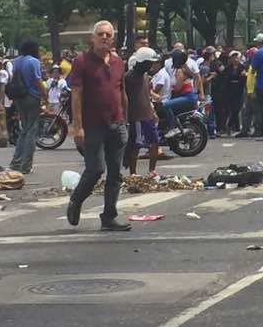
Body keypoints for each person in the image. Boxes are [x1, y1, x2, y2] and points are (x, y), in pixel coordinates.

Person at [67, 21, 130, 231]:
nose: (105, 37)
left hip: (117, 123)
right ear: (92, 38)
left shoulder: (119, 62)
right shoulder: (82, 61)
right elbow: (76, 95)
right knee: (95, 169)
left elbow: (122, 93)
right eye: (101, 34)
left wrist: (126, 120)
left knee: (116, 173)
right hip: (92, 125)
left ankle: (109, 216)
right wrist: (78, 127)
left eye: (108, 34)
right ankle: (76, 200)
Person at [8, 39, 47, 175]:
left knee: (24, 129)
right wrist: (45, 96)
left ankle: (16, 162)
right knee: (32, 130)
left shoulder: (16, 61)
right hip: (32, 97)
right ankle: (26, 165)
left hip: (19, 97)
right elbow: (38, 81)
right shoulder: (33, 61)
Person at [125, 47, 161, 176]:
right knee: (136, 145)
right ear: (142, 62)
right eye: (149, 62)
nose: (151, 65)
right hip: (136, 117)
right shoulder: (129, 77)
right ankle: (133, 173)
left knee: (154, 142)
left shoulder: (145, 76)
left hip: (148, 115)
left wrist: (153, 111)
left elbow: (146, 95)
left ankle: (152, 170)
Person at [159, 50, 198, 138]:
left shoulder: (180, 70)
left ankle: (173, 127)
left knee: (166, 105)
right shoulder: (184, 68)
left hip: (187, 97)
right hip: (187, 96)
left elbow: (178, 88)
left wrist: (169, 88)